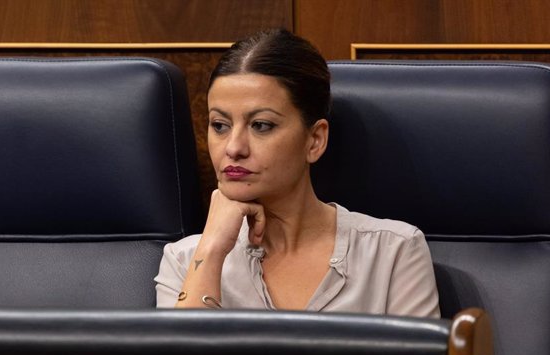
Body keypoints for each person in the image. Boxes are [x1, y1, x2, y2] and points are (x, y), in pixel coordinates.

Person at [155, 28, 439, 317]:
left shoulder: (393, 252)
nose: (234, 148)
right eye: (219, 125)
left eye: (261, 125)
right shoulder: (184, 259)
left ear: (314, 140)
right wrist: (212, 252)